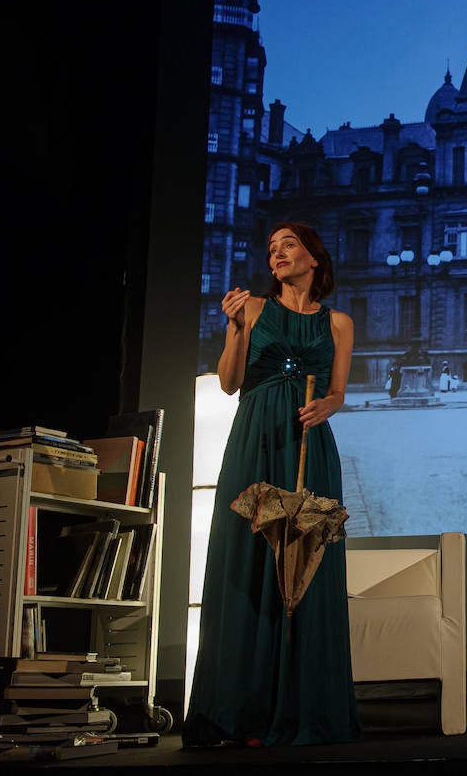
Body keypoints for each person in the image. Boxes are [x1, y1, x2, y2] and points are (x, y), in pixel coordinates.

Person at [184, 221, 361, 747]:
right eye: (271, 248)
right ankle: (242, 711)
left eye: (289, 245)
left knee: (305, 572)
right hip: (256, 443)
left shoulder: (340, 323)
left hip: (309, 448)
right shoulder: (255, 309)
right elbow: (230, 381)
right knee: (249, 562)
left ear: (314, 257)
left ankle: (302, 711)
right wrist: (237, 327)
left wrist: (330, 403)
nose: (277, 254)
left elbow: (337, 394)